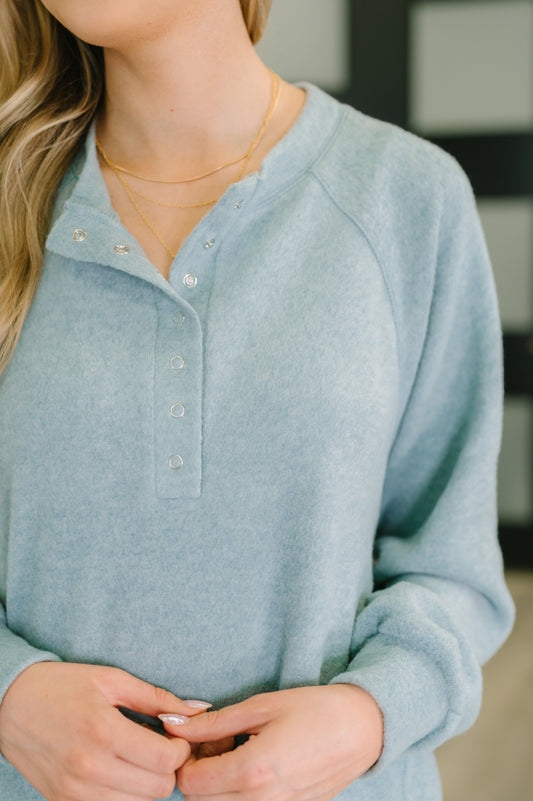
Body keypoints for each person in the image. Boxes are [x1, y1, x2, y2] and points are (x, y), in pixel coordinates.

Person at [0, 1, 515, 800]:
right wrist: (8, 692)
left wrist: (365, 714)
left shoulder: (406, 197)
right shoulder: (8, 206)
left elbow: (451, 564)